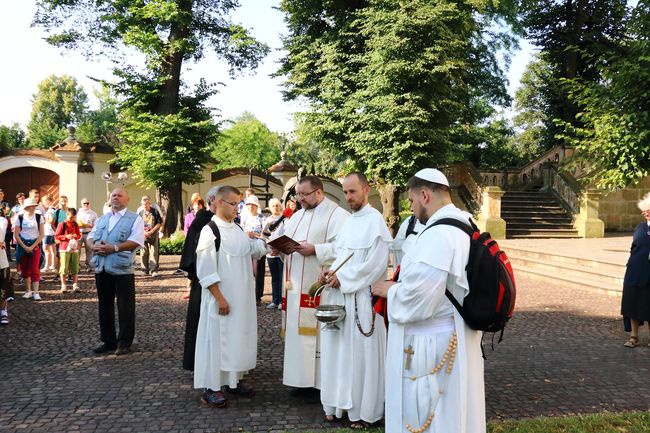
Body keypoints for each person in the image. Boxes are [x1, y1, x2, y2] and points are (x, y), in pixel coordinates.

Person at [372, 168, 485, 433]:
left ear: (424, 195)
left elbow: (419, 300)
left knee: (427, 417)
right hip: (453, 334)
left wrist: (389, 290)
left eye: (410, 201)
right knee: (451, 412)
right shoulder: (465, 223)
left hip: (430, 344)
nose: (410, 208)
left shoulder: (437, 234)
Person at [317, 172, 390, 428]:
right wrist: (330, 271)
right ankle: (337, 405)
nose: (348, 197)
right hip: (340, 299)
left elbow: (375, 265)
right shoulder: (349, 222)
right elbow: (340, 254)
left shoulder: (376, 222)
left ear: (366, 189)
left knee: (360, 357)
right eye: (345, 192)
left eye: (352, 191)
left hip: (362, 301)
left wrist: (344, 279)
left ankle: (362, 411)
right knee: (338, 353)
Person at [273, 175, 349, 398]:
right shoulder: (296, 216)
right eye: (298, 194)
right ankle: (300, 380)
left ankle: (319, 384)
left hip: (320, 288)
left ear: (318, 192)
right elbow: (288, 242)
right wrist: (280, 250)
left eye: (304, 194)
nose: (300, 199)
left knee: (319, 335)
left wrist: (316, 249)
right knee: (298, 335)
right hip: (295, 288)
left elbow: (344, 249)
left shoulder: (338, 215)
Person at [194, 185, 268, 407]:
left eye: (239, 203)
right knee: (216, 342)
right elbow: (205, 271)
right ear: (217, 202)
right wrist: (220, 298)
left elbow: (250, 250)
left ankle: (233, 381)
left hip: (241, 300)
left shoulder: (236, 229)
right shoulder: (210, 231)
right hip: (221, 301)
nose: (237, 208)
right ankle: (212, 387)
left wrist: (270, 244)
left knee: (237, 340)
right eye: (233, 203)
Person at [88, 187, 145, 356]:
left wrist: (114, 248)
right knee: (104, 305)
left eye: (120, 195)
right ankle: (108, 341)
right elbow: (90, 236)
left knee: (125, 306)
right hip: (102, 267)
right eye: (113, 195)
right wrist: (92, 246)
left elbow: (136, 240)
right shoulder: (103, 218)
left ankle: (125, 342)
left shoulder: (135, 218)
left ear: (127, 199)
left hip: (122, 269)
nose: (116, 198)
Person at [180, 190, 215, 370]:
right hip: (204, 279)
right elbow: (195, 247)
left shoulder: (227, 220)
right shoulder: (203, 219)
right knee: (200, 320)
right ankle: (198, 361)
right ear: (213, 201)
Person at [621, 192, 650, 348]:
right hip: (635, 271)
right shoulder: (640, 227)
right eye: (644, 210)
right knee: (632, 304)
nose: (646, 213)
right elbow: (634, 247)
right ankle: (633, 336)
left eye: (648, 210)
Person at [15, 198, 45, 301]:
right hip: (23, 245)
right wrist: (24, 246)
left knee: (35, 268)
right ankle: (28, 291)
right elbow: (16, 234)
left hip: (35, 244)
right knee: (24, 269)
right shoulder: (19, 217)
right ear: (26, 207)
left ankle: (36, 292)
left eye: (34, 205)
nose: (33, 207)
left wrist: (32, 246)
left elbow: (41, 234)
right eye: (31, 206)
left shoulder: (38, 217)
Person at [242, 195, 265, 306]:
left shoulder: (262, 218)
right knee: (247, 272)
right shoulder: (245, 218)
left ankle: (257, 296)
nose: (250, 207)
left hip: (258, 246)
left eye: (252, 205)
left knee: (258, 273)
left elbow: (265, 234)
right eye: (248, 204)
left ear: (256, 206)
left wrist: (254, 235)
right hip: (246, 246)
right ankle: (247, 295)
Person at [263, 198, 285, 309]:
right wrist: (271, 247)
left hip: (281, 252)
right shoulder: (267, 220)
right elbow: (264, 235)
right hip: (270, 252)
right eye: (273, 206)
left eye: (277, 205)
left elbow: (286, 234)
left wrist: (279, 248)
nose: (275, 208)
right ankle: (275, 300)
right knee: (274, 278)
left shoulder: (284, 219)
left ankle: (282, 301)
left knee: (282, 277)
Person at [55, 208, 82, 293]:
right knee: (63, 267)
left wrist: (75, 236)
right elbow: (56, 236)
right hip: (64, 249)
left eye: (74, 217)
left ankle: (75, 285)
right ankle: (63, 285)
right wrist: (66, 236)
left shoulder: (75, 224)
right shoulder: (61, 224)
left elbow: (78, 235)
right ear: (67, 215)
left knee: (75, 267)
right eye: (71, 217)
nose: (72, 219)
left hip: (74, 249)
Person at [138, 195, 163, 277]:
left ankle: (154, 271)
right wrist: (144, 232)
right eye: (143, 204)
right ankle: (144, 270)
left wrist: (152, 231)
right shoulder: (140, 213)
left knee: (154, 252)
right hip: (143, 234)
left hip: (154, 233)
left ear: (150, 204)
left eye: (146, 204)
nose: (145, 206)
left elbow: (159, 223)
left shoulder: (155, 212)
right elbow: (137, 224)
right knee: (144, 252)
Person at [77, 198, 98, 271]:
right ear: (81, 204)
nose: (86, 205)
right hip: (78, 233)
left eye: (87, 203)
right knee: (77, 250)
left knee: (89, 250)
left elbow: (96, 225)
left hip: (89, 233)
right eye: (84, 203)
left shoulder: (93, 213)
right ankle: (77, 266)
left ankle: (89, 265)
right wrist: (86, 225)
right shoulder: (77, 212)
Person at [0, 210, 12, 324]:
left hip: (1, 259)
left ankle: (3, 312)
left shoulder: (2, 220)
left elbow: (1, 235)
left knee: (3, 286)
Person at [41, 195, 58, 272]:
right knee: (52, 249)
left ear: (48, 201)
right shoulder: (54, 209)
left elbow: (51, 220)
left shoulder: (50, 210)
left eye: (44, 201)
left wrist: (44, 221)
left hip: (48, 232)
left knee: (46, 249)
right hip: (52, 232)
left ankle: (47, 266)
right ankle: (52, 265)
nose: (43, 203)